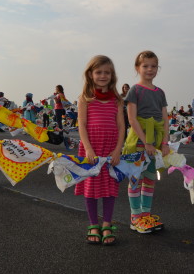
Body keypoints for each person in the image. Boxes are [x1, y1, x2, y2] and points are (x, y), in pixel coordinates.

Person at [74, 55, 124, 245]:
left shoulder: (117, 100)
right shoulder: (85, 98)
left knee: (110, 188)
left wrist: (118, 150)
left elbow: (121, 127)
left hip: (111, 148)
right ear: (91, 74)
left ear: (112, 75)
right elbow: (82, 125)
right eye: (99, 72)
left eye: (107, 72)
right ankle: (93, 224)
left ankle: (107, 224)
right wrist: (88, 149)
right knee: (91, 187)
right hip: (92, 148)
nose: (103, 76)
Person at [124, 50, 170, 233]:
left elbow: (165, 120)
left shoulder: (160, 92)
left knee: (150, 179)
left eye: (153, 66)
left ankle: (146, 216)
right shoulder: (135, 90)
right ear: (137, 68)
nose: (149, 69)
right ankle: (135, 218)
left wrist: (164, 143)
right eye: (145, 66)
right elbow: (132, 119)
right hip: (139, 141)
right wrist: (147, 142)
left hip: (156, 141)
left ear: (157, 69)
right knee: (136, 179)